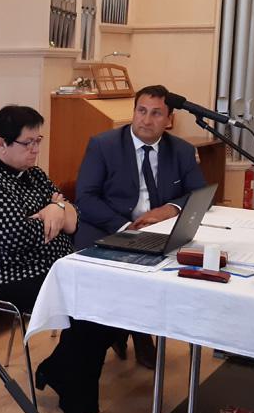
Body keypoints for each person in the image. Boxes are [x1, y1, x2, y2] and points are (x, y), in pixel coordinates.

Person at [0, 105, 121, 413]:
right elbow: (15, 239)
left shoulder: (32, 173)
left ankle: (59, 368)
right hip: (6, 275)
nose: (35, 150)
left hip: (51, 266)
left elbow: (74, 220)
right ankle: (79, 401)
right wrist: (53, 212)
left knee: (113, 298)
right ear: (2, 144)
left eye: (38, 141)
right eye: (28, 143)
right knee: (88, 310)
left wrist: (56, 210)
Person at [73, 84, 207, 368]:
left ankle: (136, 330)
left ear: (169, 120)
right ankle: (130, 333)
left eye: (156, 113)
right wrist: (125, 227)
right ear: (133, 112)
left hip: (159, 231)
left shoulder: (181, 150)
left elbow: (200, 194)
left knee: (181, 270)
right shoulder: (104, 145)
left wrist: (169, 209)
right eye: (141, 111)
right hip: (107, 228)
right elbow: (85, 197)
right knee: (123, 273)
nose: (146, 120)